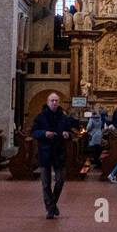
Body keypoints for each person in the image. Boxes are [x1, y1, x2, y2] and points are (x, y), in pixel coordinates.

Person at [31, 91, 82, 219]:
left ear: (58, 103)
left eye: (56, 101)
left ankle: (52, 204)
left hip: (59, 152)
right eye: (52, 101)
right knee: (45, 183)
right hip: (45, 152)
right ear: (48, 102)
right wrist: (44, 133)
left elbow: (72, 132)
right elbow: (34, 132)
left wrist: (67, 134)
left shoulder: (63, 117)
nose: (54, 103)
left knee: (60, 179)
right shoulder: (41, 117)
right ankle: (51, 209)